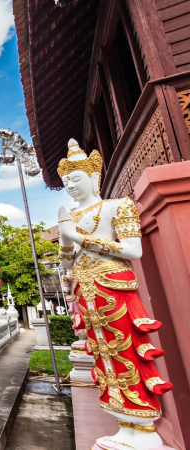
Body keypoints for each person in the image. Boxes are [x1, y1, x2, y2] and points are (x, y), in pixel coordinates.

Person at [57, 139, 172, 450]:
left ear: (94, 177)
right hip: (86, 289)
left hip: (112, 284)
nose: (70, 186)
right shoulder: (71, 217)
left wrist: (76, 235)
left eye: (76, 179)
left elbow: (133, 250)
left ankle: (145, 427)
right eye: (66, 182)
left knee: (127, 349)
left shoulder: (117, 206)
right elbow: (67, 261)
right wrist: (66, 236)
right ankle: (123, 424)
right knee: (102, 353)